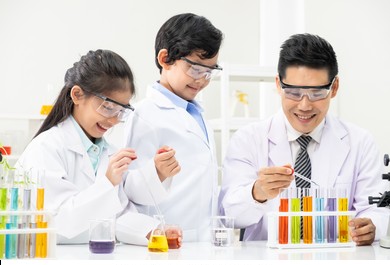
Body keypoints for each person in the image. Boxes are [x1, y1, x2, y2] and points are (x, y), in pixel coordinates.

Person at [219, 33, 389, 245]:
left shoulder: (360, 143)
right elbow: (229, 216)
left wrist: (372, 226)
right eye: (293, 92)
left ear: (334, 88)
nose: (304, 105)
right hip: (268, 263)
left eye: (317, 93)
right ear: (278, 85)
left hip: (337, 263)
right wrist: (257, 193)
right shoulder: (248, 140)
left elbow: (377, 210)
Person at [16, 49, 181, 246]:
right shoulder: (45, 149)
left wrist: (153, 230)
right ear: (77, 95)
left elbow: (115, 214)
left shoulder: (106, 151)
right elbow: (60, 221)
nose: (113, 120)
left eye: (121, 111)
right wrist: (108, 183)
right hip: (54, 260)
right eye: (108, 108)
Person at [123, 13, 223, 242]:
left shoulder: (197, 113)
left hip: (201, 240)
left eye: (209, 72)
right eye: (196, 69)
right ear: (165, 58)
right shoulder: (144, 116)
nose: (202, 80)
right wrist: (156, 174)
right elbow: (127, 190)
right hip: (164, 241)